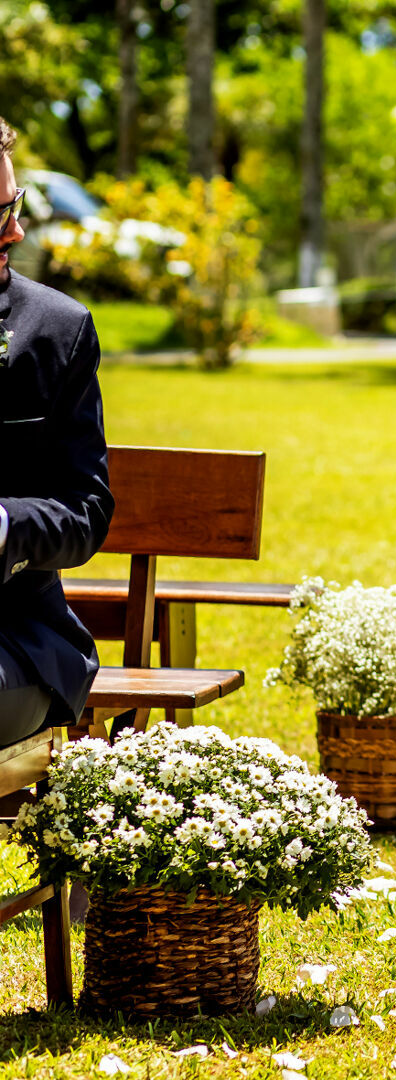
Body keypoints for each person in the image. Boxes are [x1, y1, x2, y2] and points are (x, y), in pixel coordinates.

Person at [0, 114, 113, 748]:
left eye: (13, 206)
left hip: (17, 641)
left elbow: (86, 508)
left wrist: (5, 525)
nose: (16, 229)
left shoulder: (56, 330)